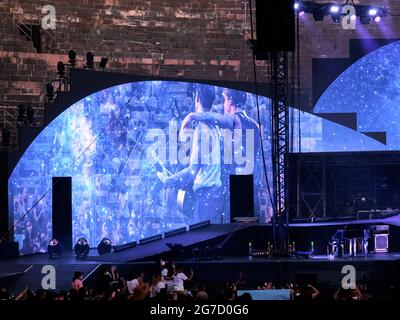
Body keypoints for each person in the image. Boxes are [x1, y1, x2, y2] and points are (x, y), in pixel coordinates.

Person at [181, 88, 263, 220]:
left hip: (237, 188)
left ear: (230, 100)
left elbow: (217, 118)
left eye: (225, 99)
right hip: (251, 187)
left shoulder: (236, 120)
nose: (224, 104)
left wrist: (192, 116)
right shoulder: (255, 125)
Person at [157, 85, 224, 223]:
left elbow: (193, 170)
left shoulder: (201, 129)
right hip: (213, 196)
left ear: (197, 97)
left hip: (205, 198)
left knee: (203, 240)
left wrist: (170, 180)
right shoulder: (215, 126)